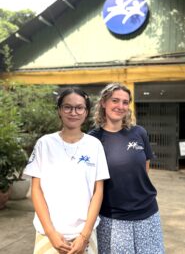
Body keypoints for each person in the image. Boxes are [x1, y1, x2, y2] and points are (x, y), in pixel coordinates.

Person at [23, 87, 110, 254]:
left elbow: (98, 191)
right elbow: (36, 189)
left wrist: (84, 236)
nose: (73, 112)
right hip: (48, 233)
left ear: (86, 112)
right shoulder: (44, 143)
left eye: (79, 107)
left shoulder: (94, 145)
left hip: (84, 234)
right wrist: (51, 233)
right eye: (67, 107)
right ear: (59, 111)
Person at [89, 82, 164, 254]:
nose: (120, 106)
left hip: (147, 212)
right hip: (112, 218)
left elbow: (144, 169)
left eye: (125, 102)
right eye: (115, 100)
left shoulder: (139, 133)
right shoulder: (93, 140)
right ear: (103, 103)